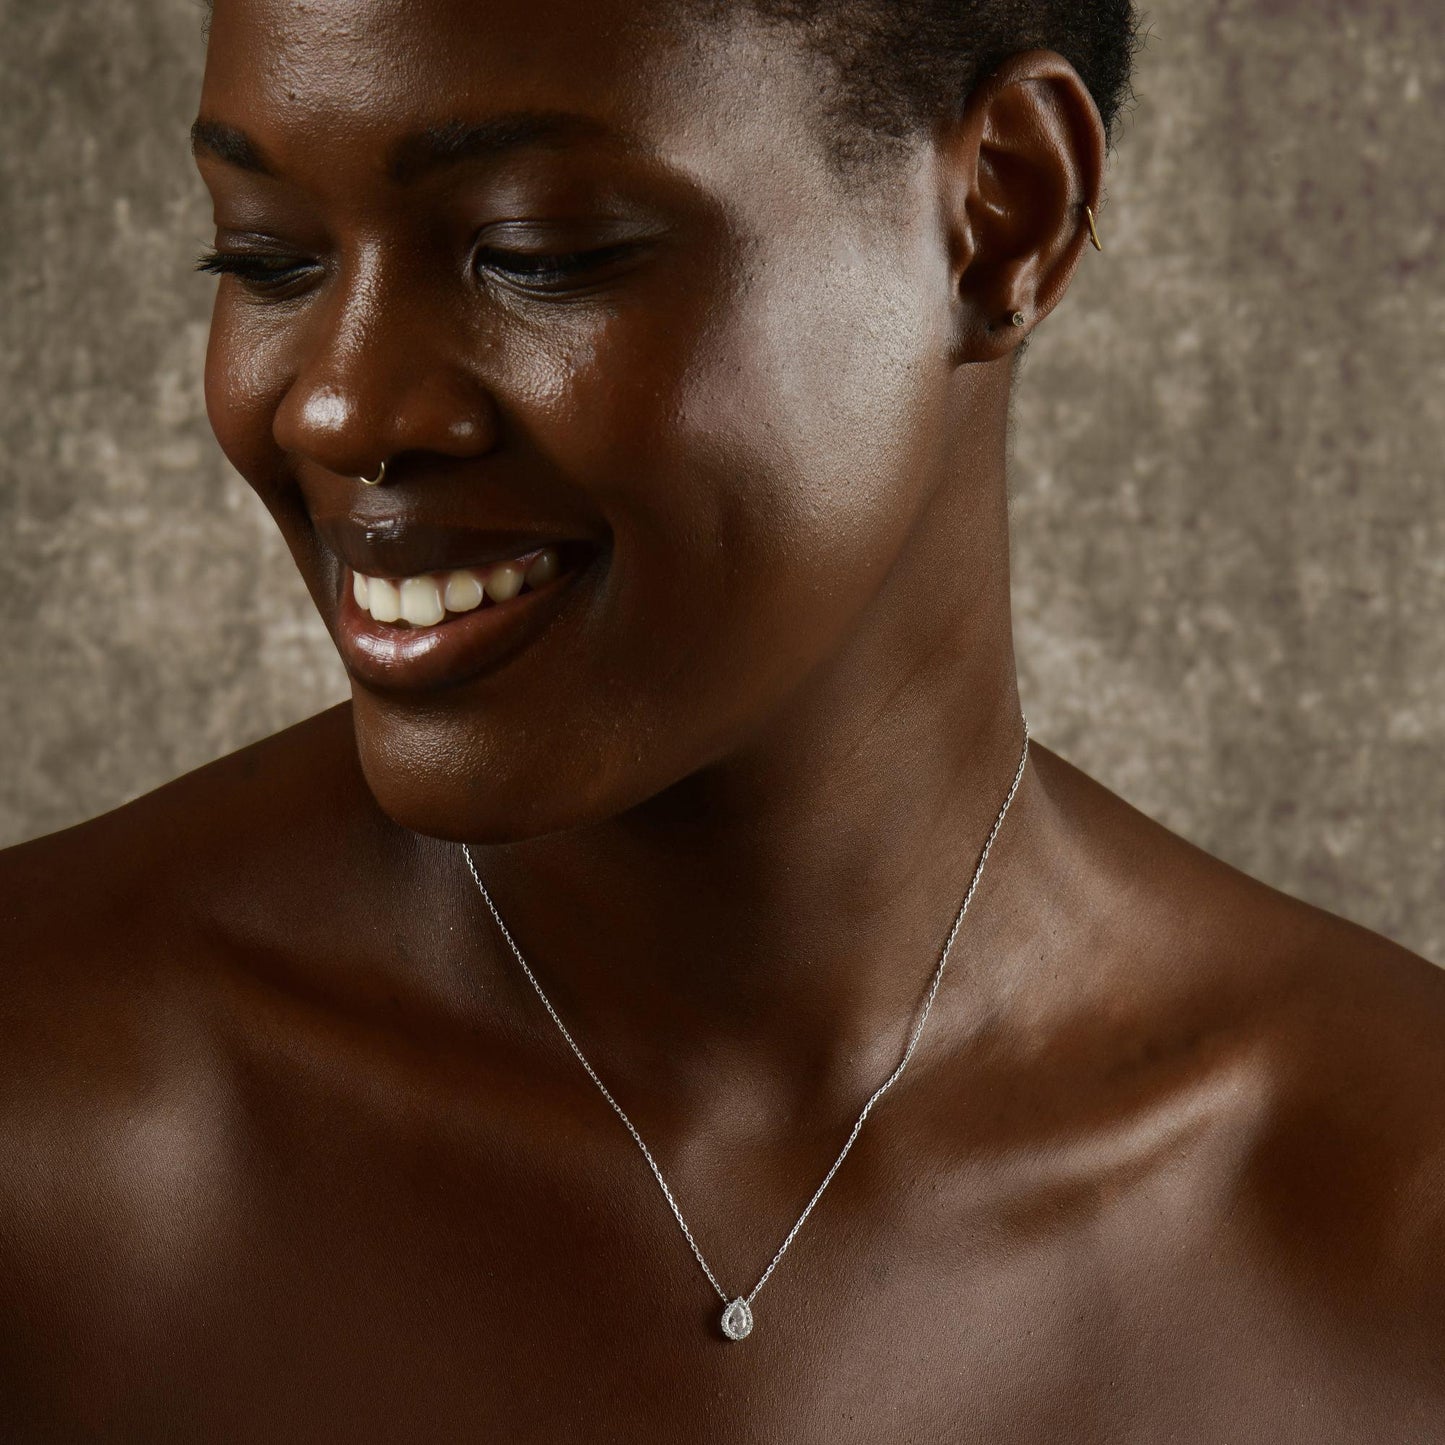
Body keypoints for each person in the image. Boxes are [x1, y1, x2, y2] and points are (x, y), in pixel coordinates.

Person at [2, 0, 1441, 1437]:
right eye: (266, 258)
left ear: (1004, 212)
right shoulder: (46, 1119)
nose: (338, 407)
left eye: (536, 252)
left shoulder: (1394, 1219)